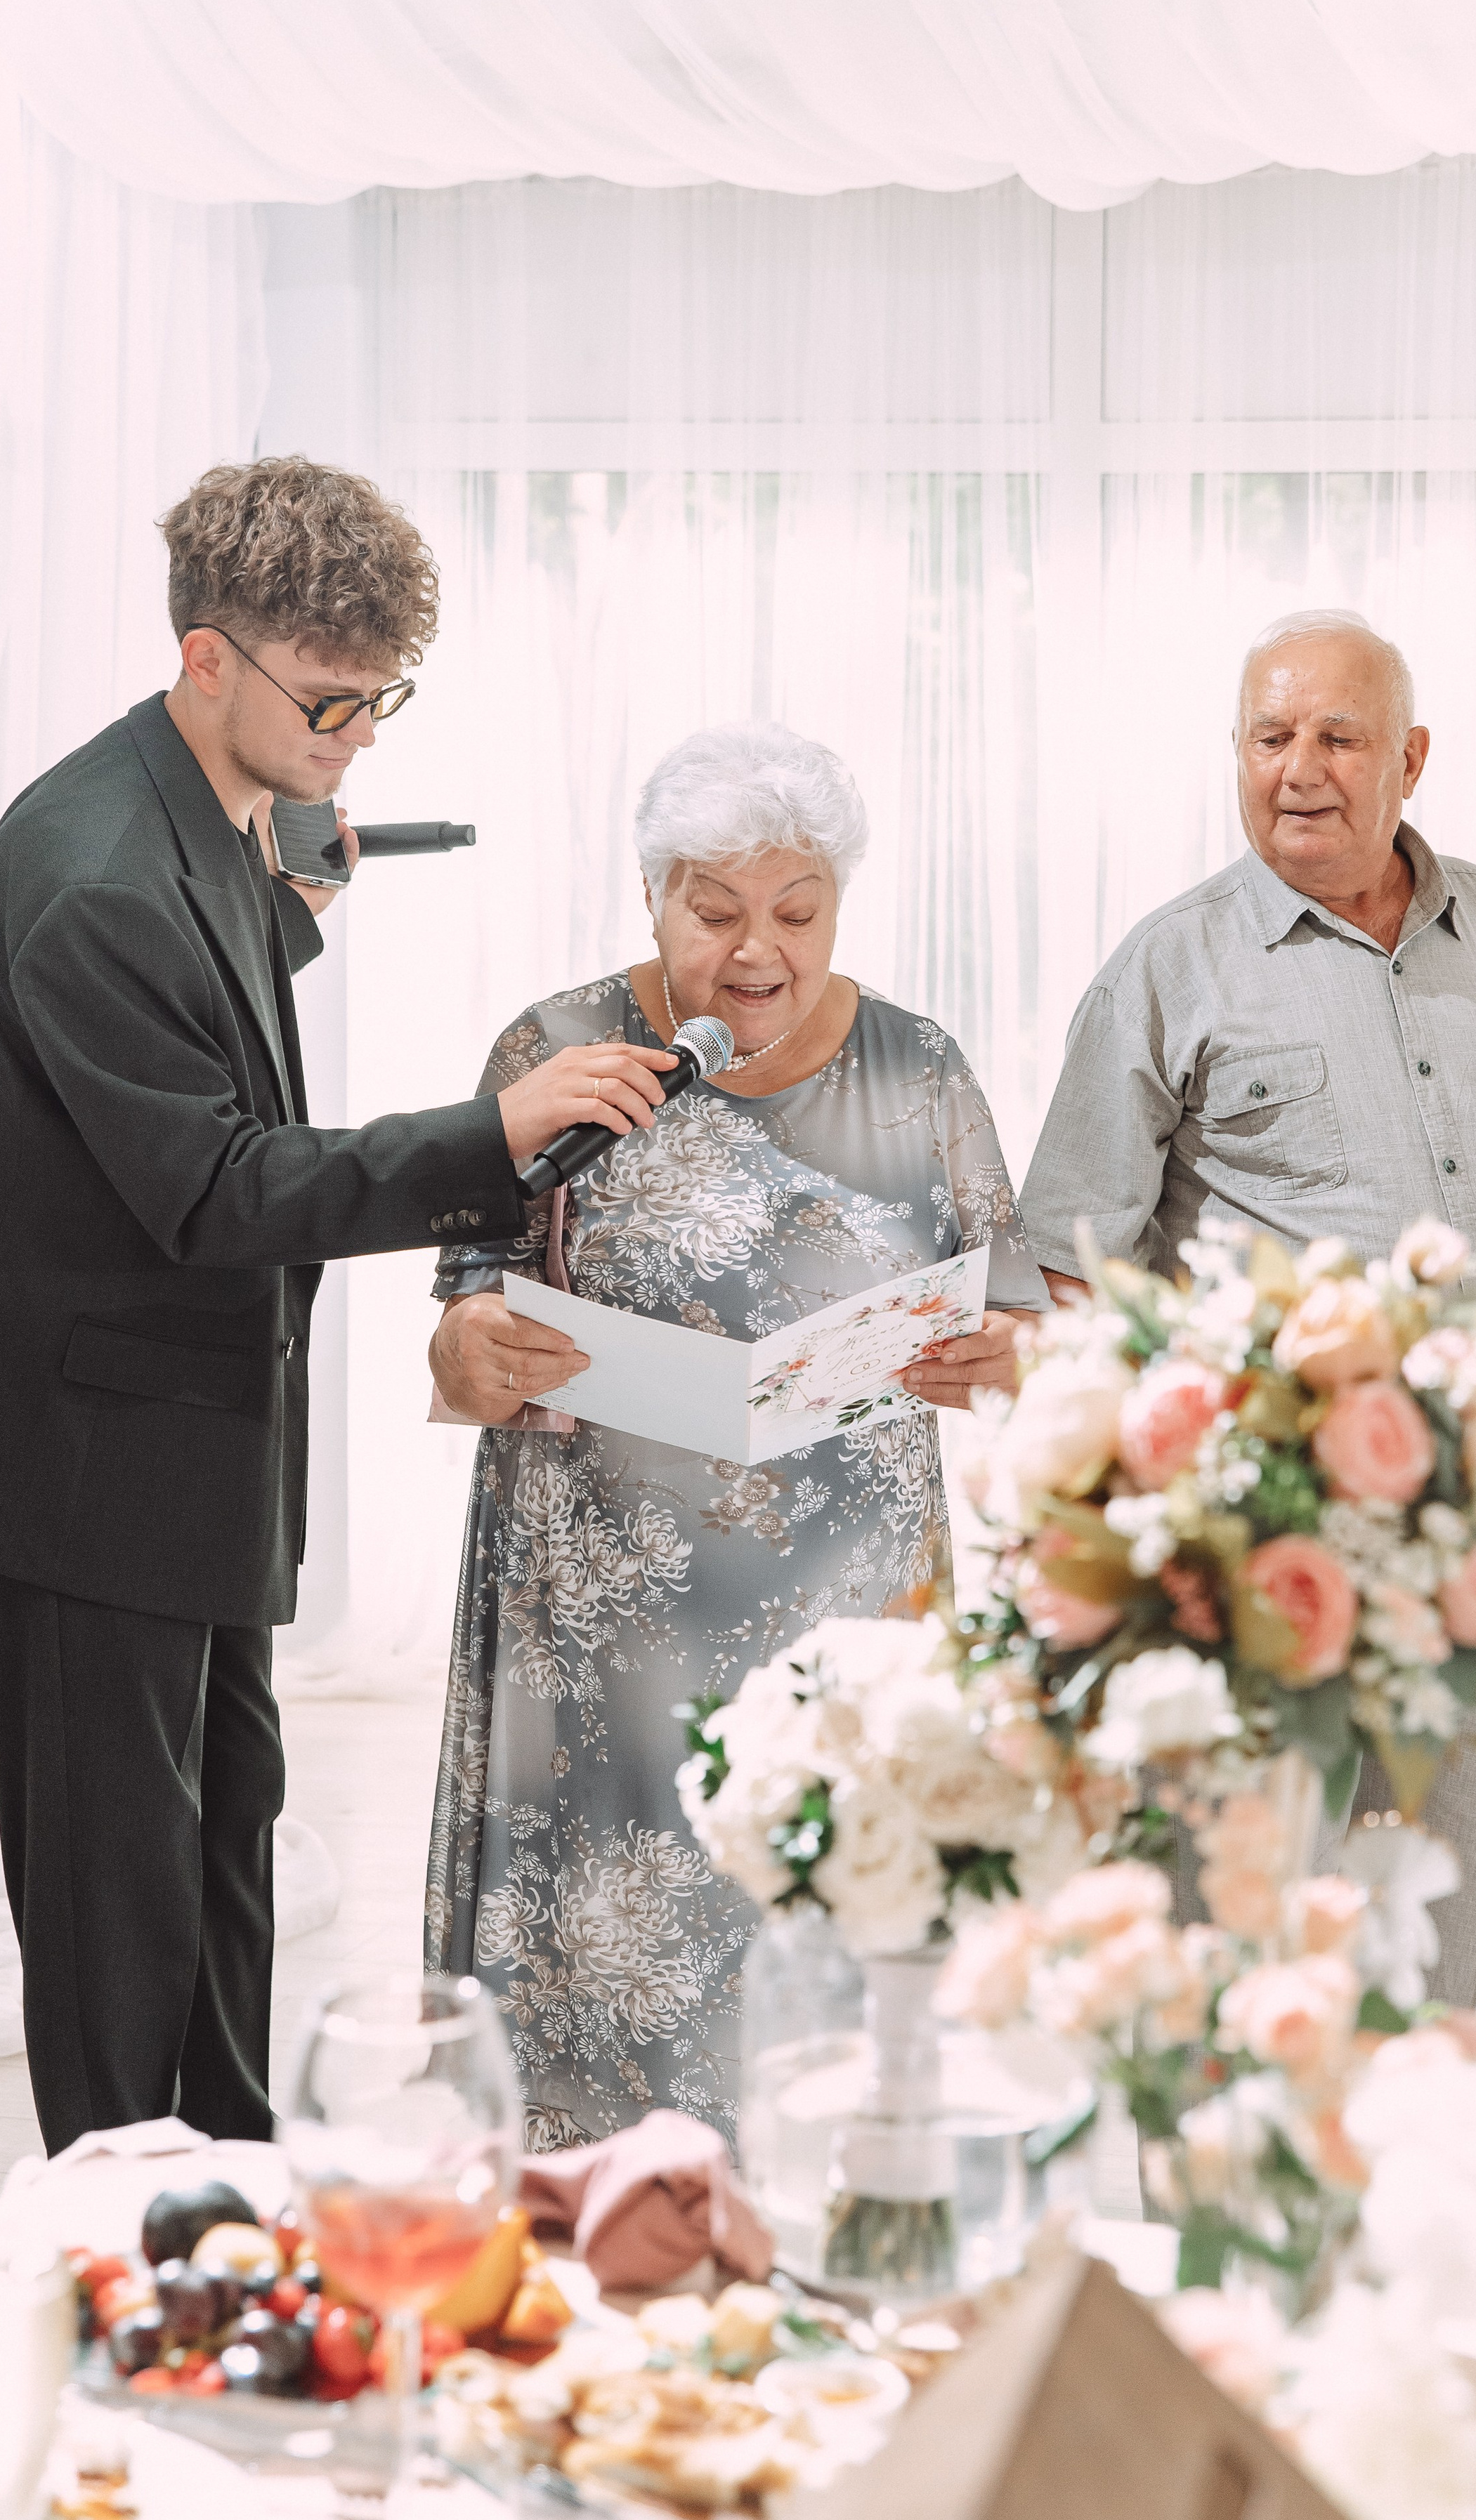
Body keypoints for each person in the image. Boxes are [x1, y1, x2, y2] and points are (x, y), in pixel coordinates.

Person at [0, 455, 687, 2157]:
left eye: (384, 698)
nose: (361, 739)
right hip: (73, 1457)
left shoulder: (204, 812)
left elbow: (195, 1009)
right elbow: (216, 1188)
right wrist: (499, 1136)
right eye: (331, 700)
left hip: (174, 1443)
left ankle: (234, 2187)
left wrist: (278, 919)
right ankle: (125, 2240)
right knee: (117, 1911)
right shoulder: (94, 874)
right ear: (205, 661)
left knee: (223, 1839)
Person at [424, 726, 1047, 2146]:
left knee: (827, 2026)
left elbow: (1023, 1319)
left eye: (796, 911)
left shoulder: (920, 1069)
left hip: (847, 1638)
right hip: (598, 1650)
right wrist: (475, 1350)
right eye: (714, 912)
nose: (755, 950)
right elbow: (458, 1326)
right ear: (651, 901)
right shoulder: (549, 1049)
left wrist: (1003, 1354)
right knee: (591, 2038)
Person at [1019, 607, 1476, 2008]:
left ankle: (1392, 2206)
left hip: (1475, 1532)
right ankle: (1218, 2213)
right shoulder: (1164, 966)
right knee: (1232, 1928)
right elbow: (1066, 1261)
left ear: (1407, 759)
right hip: (1253, 1534)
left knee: (1430, 1910)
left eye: (1334, 736)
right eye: (1267, 736)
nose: (1295, 767)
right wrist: (1121, 1518)